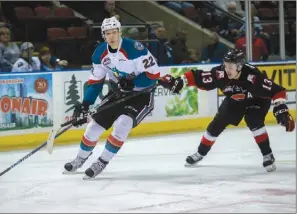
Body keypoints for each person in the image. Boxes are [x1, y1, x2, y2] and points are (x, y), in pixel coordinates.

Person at [158, 49, 295, 172]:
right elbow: (196, 76)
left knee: (253, 120)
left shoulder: (253, 77)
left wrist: (281, 109)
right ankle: (200, 153)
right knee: (217, 123)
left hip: (258, 100)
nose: (227, 69)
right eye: (226, 65)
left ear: (240, 67)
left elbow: (278, 91)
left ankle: (267, 154)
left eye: (231, 67)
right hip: (235, 99)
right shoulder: (220, 74)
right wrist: (179, 81)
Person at [64, 16, 160, 179]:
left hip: (141, 95)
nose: (112, 36)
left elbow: (154, 74)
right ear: (103, 35)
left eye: (114, 32)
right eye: (107, 33)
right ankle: (80, 158)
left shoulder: (135, 49)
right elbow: (95, 82)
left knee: (123, 124)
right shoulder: (100, 54)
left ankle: (102, 161)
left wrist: (134, 82)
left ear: (119, 32)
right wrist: (85, 105)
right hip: (118, 93)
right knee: (93, 126)